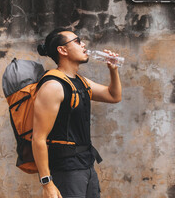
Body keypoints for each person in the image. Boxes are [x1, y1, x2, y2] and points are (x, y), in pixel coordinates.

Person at [32, 28, 122, 198]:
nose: (84, 45)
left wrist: (113, 69)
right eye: (77, 41)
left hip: (86, 165)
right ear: (63, 50)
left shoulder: (80, 81)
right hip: (66, 171)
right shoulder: (53, 86)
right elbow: (38, 139)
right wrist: (47, 183)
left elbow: (114, 96)